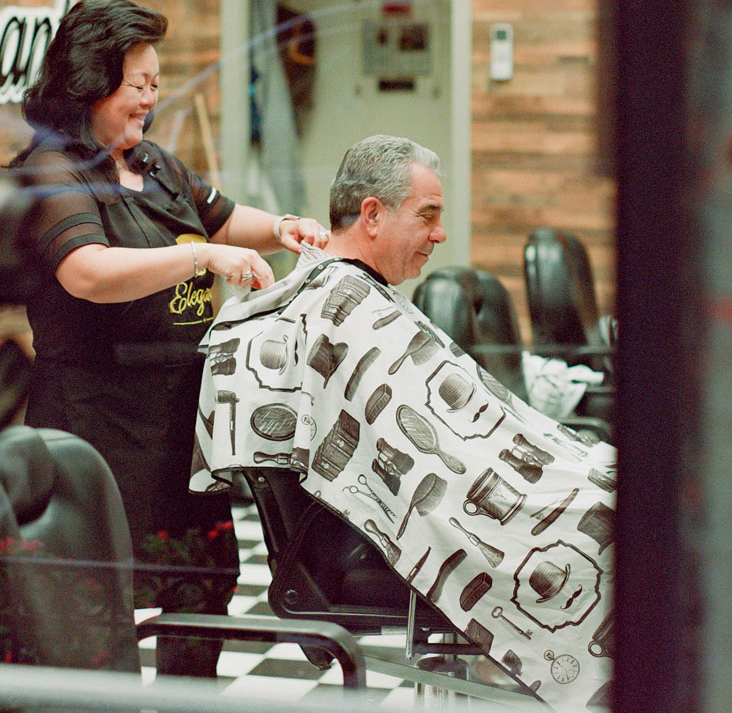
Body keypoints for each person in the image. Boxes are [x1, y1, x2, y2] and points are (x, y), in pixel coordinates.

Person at [190, 135, 615, 709]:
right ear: (372, 214)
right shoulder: (341, 303)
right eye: (428, 216)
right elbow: (436, 467)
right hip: (375, 544)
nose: (440, 234)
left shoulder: (356, 294)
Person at [11, 0, 329, 678]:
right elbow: (89, 274)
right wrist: (199, 260)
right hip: (96, 427)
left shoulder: (152, 163)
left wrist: (281, 229)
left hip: (182, 427)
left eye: (155, 85)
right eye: (138, 86)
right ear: (88, 84)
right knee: (98, 609)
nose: (150, 100)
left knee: (199, 591)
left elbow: (219, 215)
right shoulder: (50, 171)